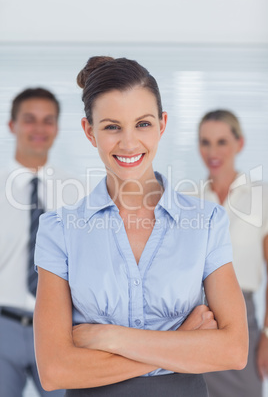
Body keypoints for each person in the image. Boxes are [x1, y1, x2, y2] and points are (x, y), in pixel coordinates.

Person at [33, 57, 248, 397]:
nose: (130, 143)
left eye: (143, 124)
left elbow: (233, 351)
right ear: (90, 132)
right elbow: (55, 371)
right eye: (112, 127)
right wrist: (182, 343)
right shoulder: (59, 230)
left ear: (162, 124)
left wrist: (110, 337)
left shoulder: (206, 222)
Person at [0, 87, 72, 397]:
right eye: (29, 119)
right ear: (12, 125)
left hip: (58, 329)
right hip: (3, 326)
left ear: (57, 127)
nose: (39, 129)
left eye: (48, 120)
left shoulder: (76, 194)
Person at [197, 109, 268, 397]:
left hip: (242, 319)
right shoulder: (188, 198)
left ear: (239, 143)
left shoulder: (261, 197)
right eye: (205, 142)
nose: (212, 152)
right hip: (195, 319)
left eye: (222, 142)